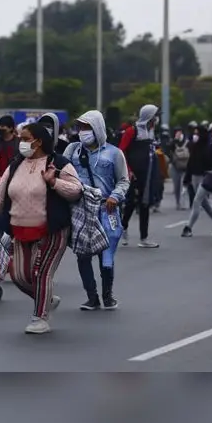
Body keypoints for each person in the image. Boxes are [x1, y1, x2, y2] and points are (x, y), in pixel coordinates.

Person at [0, 122, 82, 334]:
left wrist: (53, 183)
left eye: (25, 139)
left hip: (52, 230)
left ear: (39, 141)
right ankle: (47, 298)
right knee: (19, 276)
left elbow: (76, 191)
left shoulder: (59, 163)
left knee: (42, 274)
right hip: (20, 229)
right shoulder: (16, 164)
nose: (21, 143)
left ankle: (40, 317)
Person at [64, 111, 130, 311]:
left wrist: (115, 197)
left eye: (87, 127)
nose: (83, 132)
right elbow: (59, 171)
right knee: (82, 255)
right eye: (81, 127)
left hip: (106, 209)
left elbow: (124, 180)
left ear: (97, 128)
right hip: (80, 210)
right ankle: (91, 297)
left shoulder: (114, 153)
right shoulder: (73, 151)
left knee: (106, 255)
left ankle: (107, 296)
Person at [121, 104, 163, 248]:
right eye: (155, 115)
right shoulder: (131, 131)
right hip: (133, 174)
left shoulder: (152, 132)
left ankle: (144, 238)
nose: (157, 118)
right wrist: (128, 170)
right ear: (149, 116)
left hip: (148, 174)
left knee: (145, 204)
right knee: (131, 202)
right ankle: (123, 228)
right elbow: (122, 152)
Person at [182, 134, 212, 237]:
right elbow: (190, 164)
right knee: (204, 203)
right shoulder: (197, 147)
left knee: (197, 201)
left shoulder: (211, 147)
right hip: (200, 177)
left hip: (208, 178)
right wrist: (186, 180)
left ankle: (188, 227)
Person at [169, 127, 190, 210]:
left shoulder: (186, 141)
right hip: (175, 166)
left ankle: (183, 203)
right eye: (177, 132)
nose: (178, 133)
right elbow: (169, 150)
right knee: (176, 186)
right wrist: (174, 140)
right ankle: (178, 202)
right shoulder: (173, 142)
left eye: (180, 132)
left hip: (185, 166)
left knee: (183, 186)